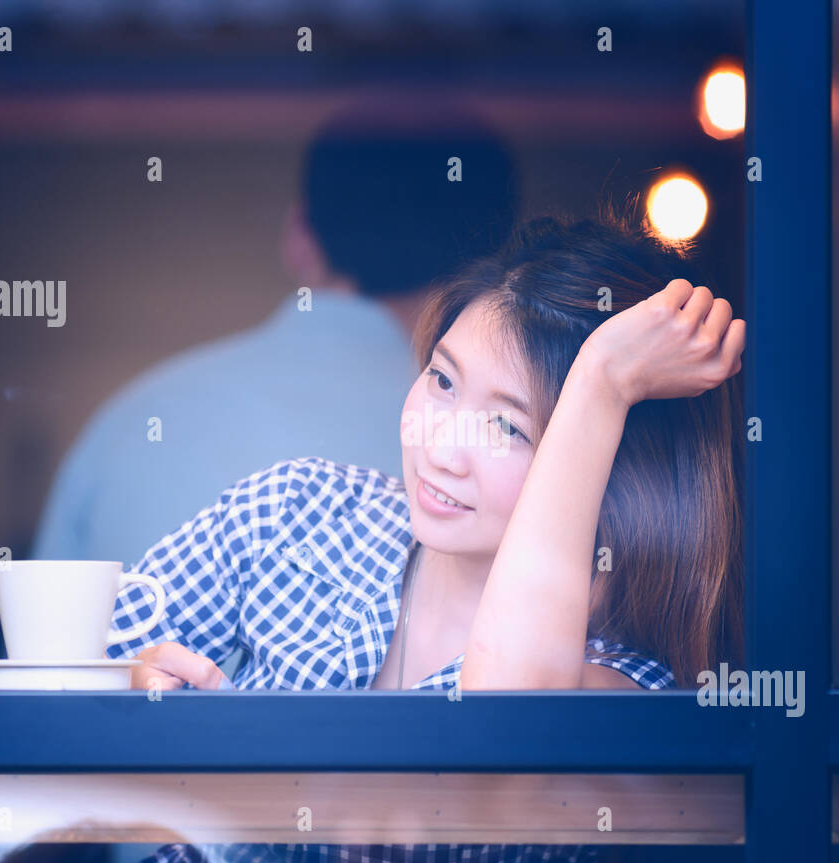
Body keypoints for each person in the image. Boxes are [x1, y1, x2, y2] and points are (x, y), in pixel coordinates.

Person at [106, 208, 746, 863]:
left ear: (598, 467)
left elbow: (498, 746)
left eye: (507, 428)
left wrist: (601, 384)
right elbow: (16, 699)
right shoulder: (300, 510)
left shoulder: (623, 680)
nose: (441, 447)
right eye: (442, 380)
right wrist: (116, 701)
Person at [30, 98, 519, 569]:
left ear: (298, 237)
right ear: (496, 268)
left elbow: (45, 643)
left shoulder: (127, 422)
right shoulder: (520, 451)